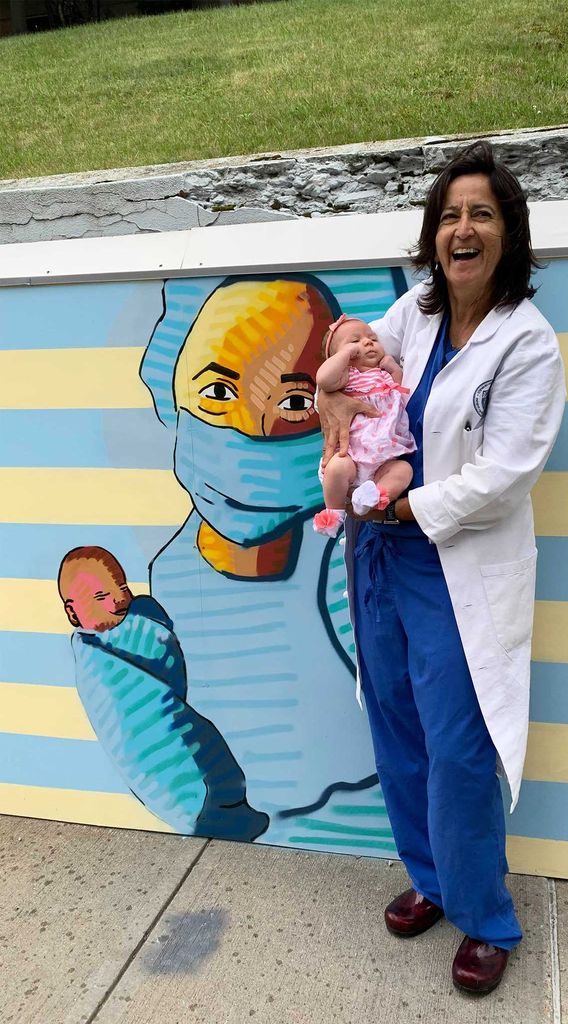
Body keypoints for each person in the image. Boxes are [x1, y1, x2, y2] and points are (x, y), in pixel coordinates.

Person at [318, 142, 566, 995]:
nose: (464, 228)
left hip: (449, 561)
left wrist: (401, 505)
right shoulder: (413, 317)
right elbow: (353, 364)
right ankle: (429, 879)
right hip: (379, 558)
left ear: (509, 235)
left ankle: (485, 914)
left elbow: (504, 476)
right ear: (434, 235)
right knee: (397, 726)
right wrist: (336, 376)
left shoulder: (526, 344)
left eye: (483, 214)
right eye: (451, 214)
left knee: (460, 747)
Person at [139, 276, 384, 843]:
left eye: (295, 404)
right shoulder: (163, 585)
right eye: (218, 394)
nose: (252, 431)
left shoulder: (347, 568)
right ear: (167, 387)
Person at [58, 546, 269, 840]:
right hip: (179, 779)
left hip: (185, 740)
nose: (119, 599)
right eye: (101, 596)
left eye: (122, 587)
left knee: (196, 745)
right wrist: (147, 618)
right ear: (73, 612)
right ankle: (210, 808)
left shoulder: (132, 626)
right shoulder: (96, 660)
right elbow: (157, 652)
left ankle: (225, 807)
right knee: (181, 761)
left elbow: (168, 667)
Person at [313, 314, 415, 537]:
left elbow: (400, 394)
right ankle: (334, 512)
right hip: (351, 455)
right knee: (337, 467)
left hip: (385, 459)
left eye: (372, 338)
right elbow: (323, 380)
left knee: (403, 471)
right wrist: (344, 356)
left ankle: (373, 496)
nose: (368, 342)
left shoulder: (384, 376)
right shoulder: (347, 377)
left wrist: (394, 369)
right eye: (354, 341)